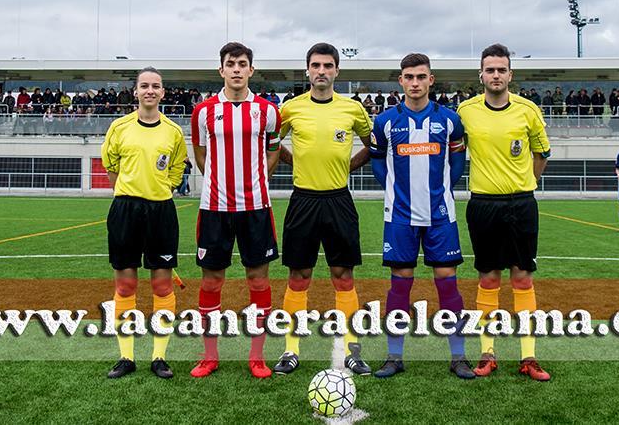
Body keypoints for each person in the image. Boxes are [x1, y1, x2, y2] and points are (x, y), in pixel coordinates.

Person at [369, 53, 474, 380]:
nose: (415, 83)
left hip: (440, 215)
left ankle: (458, 357)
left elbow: (457, 163)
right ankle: (394, 356)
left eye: (421, 77)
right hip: (399, 216)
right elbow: (376, 160)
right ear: (401, 81)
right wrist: (393, 190)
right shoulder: (385, 121)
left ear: (431, 80)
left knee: (447, 283)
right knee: (399, 284)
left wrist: (442, 189)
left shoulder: (449, 120)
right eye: (409, 77)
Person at [273, 43, 373, 376]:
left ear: (336, 71)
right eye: (315, 65)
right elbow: (272, 144)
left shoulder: (353, 109)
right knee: (298, 275)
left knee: (343, 276)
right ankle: (290, 350)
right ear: (307, 70)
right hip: (303, 200)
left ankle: (352, 350)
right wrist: (293, 159)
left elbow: (373, 147)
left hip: (339, 200)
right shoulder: (290, 108)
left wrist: (347, 167)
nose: (321, 71)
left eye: (327, 66)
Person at [457, 43, 552, 382]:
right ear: (481, 75)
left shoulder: (528, 110)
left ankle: (529, 356)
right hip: (483, 204)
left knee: (522, 278)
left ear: (510, 74)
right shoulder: (465, 111)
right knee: (488, 278)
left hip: (522, 204)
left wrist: (527, 182)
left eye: (501, 70)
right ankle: (488, 353)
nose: (495, 75)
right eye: (490, 69)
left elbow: (542, 153)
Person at [190, 42, 282, 379]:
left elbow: (273, 151)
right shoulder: (203, 111)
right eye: (231, 64)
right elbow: (201, 155)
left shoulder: (269, 111)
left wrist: (257, 179)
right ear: (221, 70)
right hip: (214, 208)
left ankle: (257, 356)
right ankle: (209, 355)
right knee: (212, 281)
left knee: (258, 279)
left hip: (256, 208)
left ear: (251, 70)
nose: (237, 69)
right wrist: (219, 180)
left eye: (243, 64)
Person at [100, 67, 187, 380]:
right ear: (135, 92)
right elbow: (111, 166)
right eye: (144, 86)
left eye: (156, 86)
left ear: (163, 93)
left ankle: (159, 356)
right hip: (125, 210)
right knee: (125, 285)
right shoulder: (119, 127)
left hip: (161, 211)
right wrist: (129, 192)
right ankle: (126, 357)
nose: (150, 91)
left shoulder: (174, 132)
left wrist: (160, 189)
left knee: (162, 285)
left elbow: (177, 170)